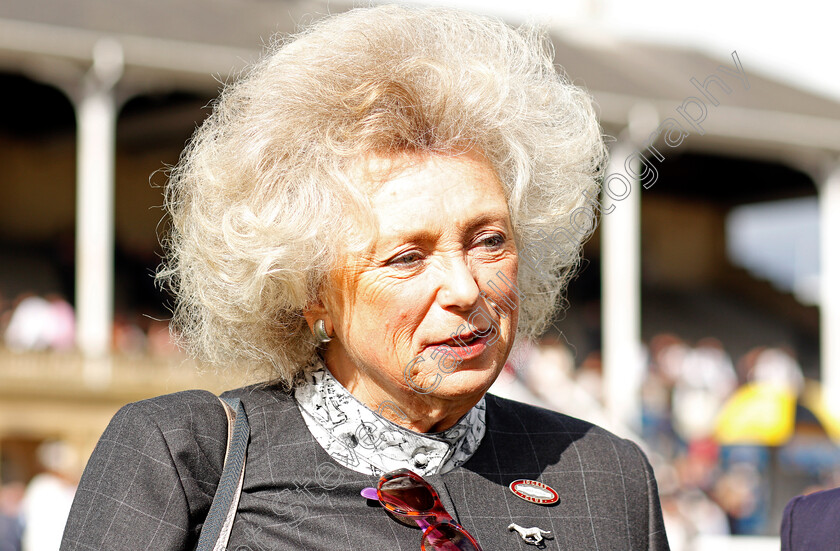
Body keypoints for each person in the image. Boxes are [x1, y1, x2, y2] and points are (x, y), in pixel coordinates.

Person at [60, 5, 670, 550]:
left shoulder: (607, 477)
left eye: (490, 242)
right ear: (311, 292)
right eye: (408, 257)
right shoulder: (184, 455)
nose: (464, 290)